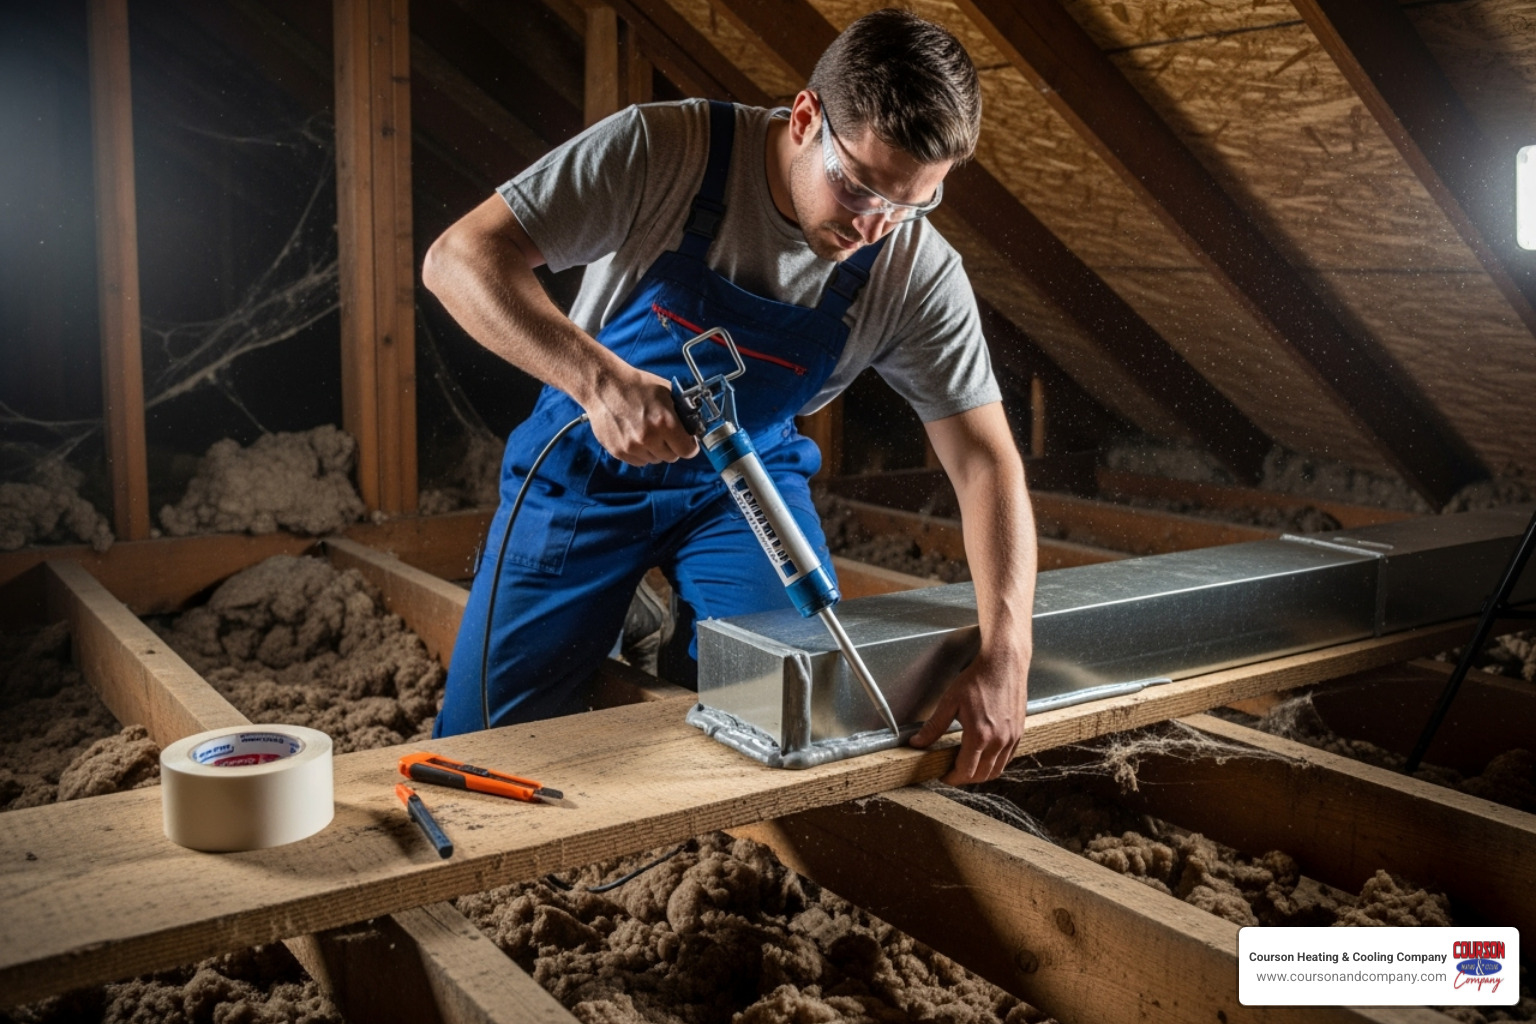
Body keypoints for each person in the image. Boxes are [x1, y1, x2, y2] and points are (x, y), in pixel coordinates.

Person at [423, 8, 1036, 785]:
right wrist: (599, 381)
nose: (875, 226)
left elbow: (985, 462)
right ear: (805, 118)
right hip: (587, 462)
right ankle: (617, 605)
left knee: (789, 702)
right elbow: (458, 258)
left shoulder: (915, 267)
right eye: (856, 188)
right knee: (483, 752)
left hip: (741, 480)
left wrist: (1008, 651)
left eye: (912, 202)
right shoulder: (665, 149)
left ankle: (672, 637)